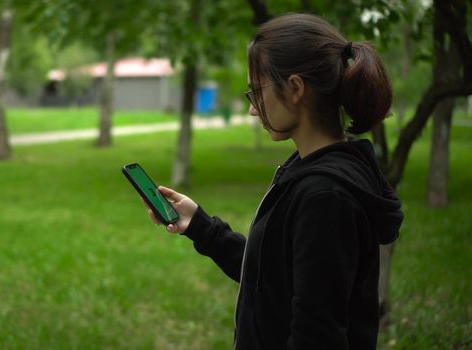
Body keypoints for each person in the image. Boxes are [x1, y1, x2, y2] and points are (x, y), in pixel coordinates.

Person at [143, 13, 404, 349]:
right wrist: (200, 226)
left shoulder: (326, 197)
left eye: (257, 91)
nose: (253, 109)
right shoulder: (310, 169)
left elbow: (317, 337)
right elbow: (272, 278)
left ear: (295, 88)